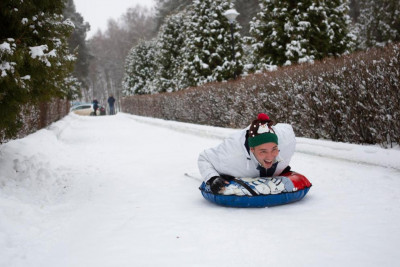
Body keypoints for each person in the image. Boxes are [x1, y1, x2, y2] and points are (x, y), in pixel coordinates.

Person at [198, 113, 296, 194]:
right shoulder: (231, 155)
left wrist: (280, 168)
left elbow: (288, 128)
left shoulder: (287, 142)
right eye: (263, 151)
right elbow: (204, 158)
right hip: (237, 157)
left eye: (274, 149)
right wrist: (212, 177)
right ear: (252, 149)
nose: (270, 156)